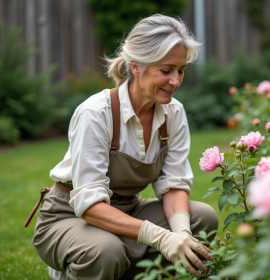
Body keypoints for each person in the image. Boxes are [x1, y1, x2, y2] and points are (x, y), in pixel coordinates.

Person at [28, 14, 219, 280]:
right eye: (166, 70)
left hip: (129, 208)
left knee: (201, 218)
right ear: (136, 66)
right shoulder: (96, 113)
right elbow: (90, 205)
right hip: (71, 216)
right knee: (105, 251)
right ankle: (79, 265)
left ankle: (123, 269)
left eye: (181, 70)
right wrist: (163, 238)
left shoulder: (173, 113)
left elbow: (173, 185)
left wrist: (182, 236)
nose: (175, 81)